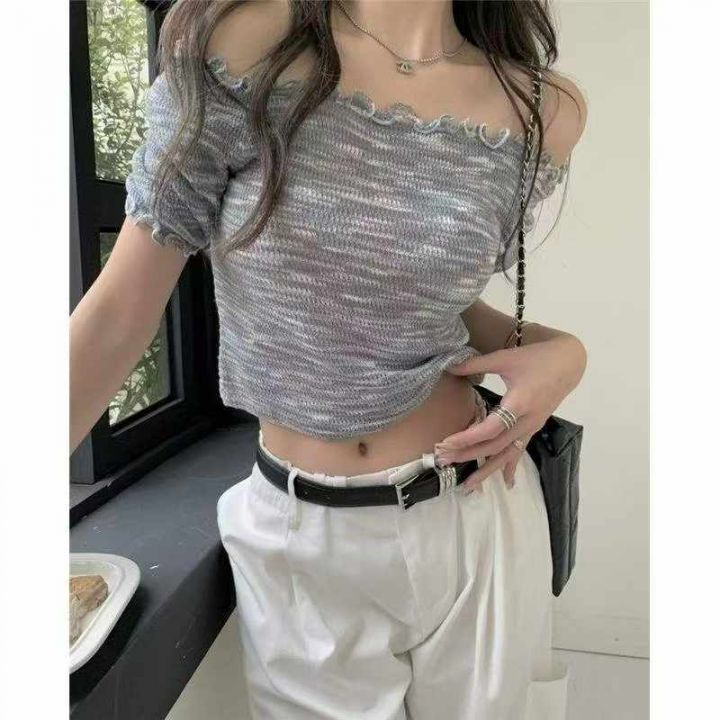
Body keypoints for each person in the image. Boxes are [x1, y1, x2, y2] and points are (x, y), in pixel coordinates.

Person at [70, 1, 588, 718]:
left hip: (475, 516)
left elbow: (420, 295)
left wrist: (565, 354)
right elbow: (116, 316)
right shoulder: (240, 40)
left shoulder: (542, 108)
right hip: (300, 538)